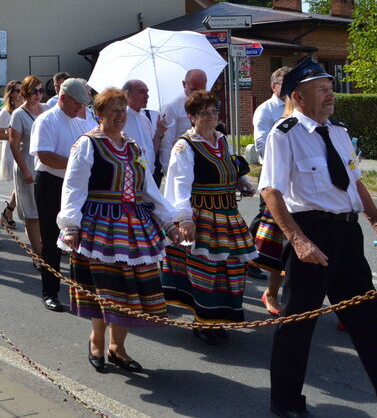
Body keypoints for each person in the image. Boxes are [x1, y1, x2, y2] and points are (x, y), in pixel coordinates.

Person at [259, 55, 377, 417]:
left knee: (372, 327)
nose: (329, 93)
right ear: (299, 97)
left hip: (348, 237)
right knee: (297, 327)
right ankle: (286, 404)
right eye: (319, 88)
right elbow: (271, 191)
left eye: (329, 87)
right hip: (312, 236)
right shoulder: (285, 133)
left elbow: (356, 183)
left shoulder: (338, 131)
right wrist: (299, 240)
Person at [58, 88, 181, 373]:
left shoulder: (133, 147)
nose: (120, 116)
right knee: (105, 290)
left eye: (123, 111)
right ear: (99, 114)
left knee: (129, 292)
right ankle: (97, 341)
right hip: (99, 226)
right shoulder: (87, 145)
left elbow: (148, 189)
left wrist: (169, 222)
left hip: (134, 227)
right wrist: (71, 226)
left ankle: (118, 348)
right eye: (113, 111)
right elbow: (74, 187)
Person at [161, 90, 257, 343]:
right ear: (192, 117)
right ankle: (203, 321)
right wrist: (184, 219)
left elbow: (230, 167)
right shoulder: (184, 146)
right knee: (206, 270)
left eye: (214, 111)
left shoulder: (222, 140)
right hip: (202, 215)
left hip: (228, 214)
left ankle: (220, 317)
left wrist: (241, 182)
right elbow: (179, 184)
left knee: (232, 267)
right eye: (205, 113)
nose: (212, 116)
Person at [30, 78, 97, 310]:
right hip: (51, 183)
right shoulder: (46, 120)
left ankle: (82, 288)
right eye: (77, 104)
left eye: (83, 105)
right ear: (63, 98)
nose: (80, 109)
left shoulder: (81, 122)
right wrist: (75, 165)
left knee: (79, 236)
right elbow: (44, 155)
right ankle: (50, 292)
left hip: (76, 186)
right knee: (51, 240)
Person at [248, 66, 294, 302]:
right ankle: (249, 256)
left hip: (294, 181)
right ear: (274, 86)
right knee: (264, 219)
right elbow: (261, 143)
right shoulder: (265, 110)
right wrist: (279, 163)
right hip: (273, 177)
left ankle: (255, 257)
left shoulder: (295, 105)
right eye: (285, 83)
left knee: (276, 224)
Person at [8, 76, 47, 258]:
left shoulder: (46, 110)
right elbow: (14, 144)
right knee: (32, 214)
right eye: (34, 91)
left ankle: (47, 247)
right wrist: (25, 171)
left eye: (41, 91)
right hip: (28, 165)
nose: (38, 95)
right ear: (25, 93)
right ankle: (38, 254)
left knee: (47, 211)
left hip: (46, 166)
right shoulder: (18, 114)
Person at [157, 69, 208, 173]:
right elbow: (166, 143)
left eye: (201, 90)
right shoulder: (172, 107)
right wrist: (168, 172)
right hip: (181, 164)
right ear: (184, 84)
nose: (197, 94)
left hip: (202, 162)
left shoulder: (207, 106)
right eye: (193, 90)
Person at [122, 80, 167, 185]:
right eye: (142, 92)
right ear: (127, 94)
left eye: (147, 92)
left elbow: (152, 150)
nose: (147, 96)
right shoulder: (121, 119)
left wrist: (159, 133)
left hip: (149, 178)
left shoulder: (145, 119)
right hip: (130, 180)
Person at [0, 80, 23, 227]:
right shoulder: (6, 112)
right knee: (22, 183)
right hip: (13, 150)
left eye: (22, 90)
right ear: (11, 94)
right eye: (17, 90)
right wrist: (15, 136)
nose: (20, 93)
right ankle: (9, 210)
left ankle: (8, 210)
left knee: (22, 184)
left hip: (26, 150)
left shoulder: (26, 108)